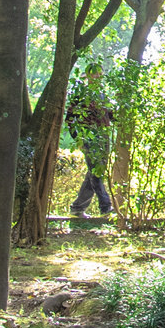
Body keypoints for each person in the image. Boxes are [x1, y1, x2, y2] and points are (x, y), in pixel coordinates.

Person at [66, 60, 115, 215]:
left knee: (95, 172)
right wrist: (78, 138)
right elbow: (70, 119)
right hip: (88, 136)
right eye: (95, 74)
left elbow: (111, 115)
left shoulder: (102, 95)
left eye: (101, 74)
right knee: (96, 170)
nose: (98, 77)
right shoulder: (80, 94)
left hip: (103, 136)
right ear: (88, 75)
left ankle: (78, 207)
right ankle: (105, 207)